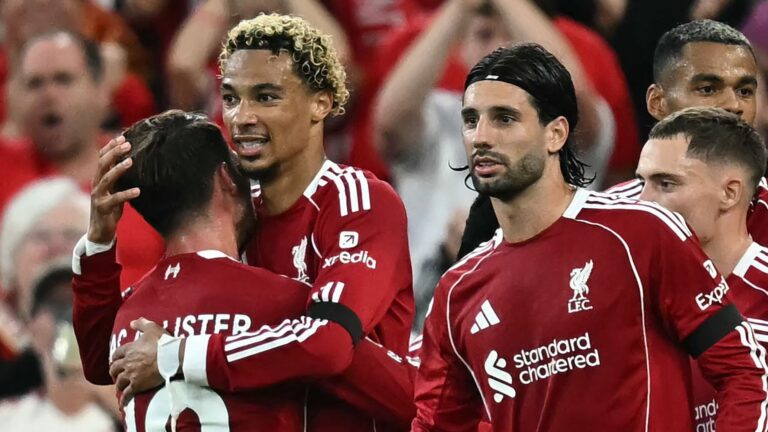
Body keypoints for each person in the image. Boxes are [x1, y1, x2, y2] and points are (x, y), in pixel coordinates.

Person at [72, 14, 414, 432]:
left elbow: (328, 345)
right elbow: (106, 359)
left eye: (266, 97)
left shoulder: (355, 201)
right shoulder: (228, 212)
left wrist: (178, 355)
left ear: (321, 103)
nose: (241, 117)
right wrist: (98, 246)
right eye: (231, 98)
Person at [412, 43, 768, 431]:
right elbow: (435, 425)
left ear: (556, 134)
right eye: (470, 120)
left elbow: (742, 372)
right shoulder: (457, 292)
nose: (481, 137)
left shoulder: (642, 233)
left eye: (505, 118)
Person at [458, 19, 766, 258]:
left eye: (745, 91)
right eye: (708, 89)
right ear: (657, 103)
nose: (734, 105)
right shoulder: (599, 224)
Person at [636, 106, 768, 430]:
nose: (642, 202)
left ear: (729, 193)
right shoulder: (634, 297)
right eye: (642, 183)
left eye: (666, 184)